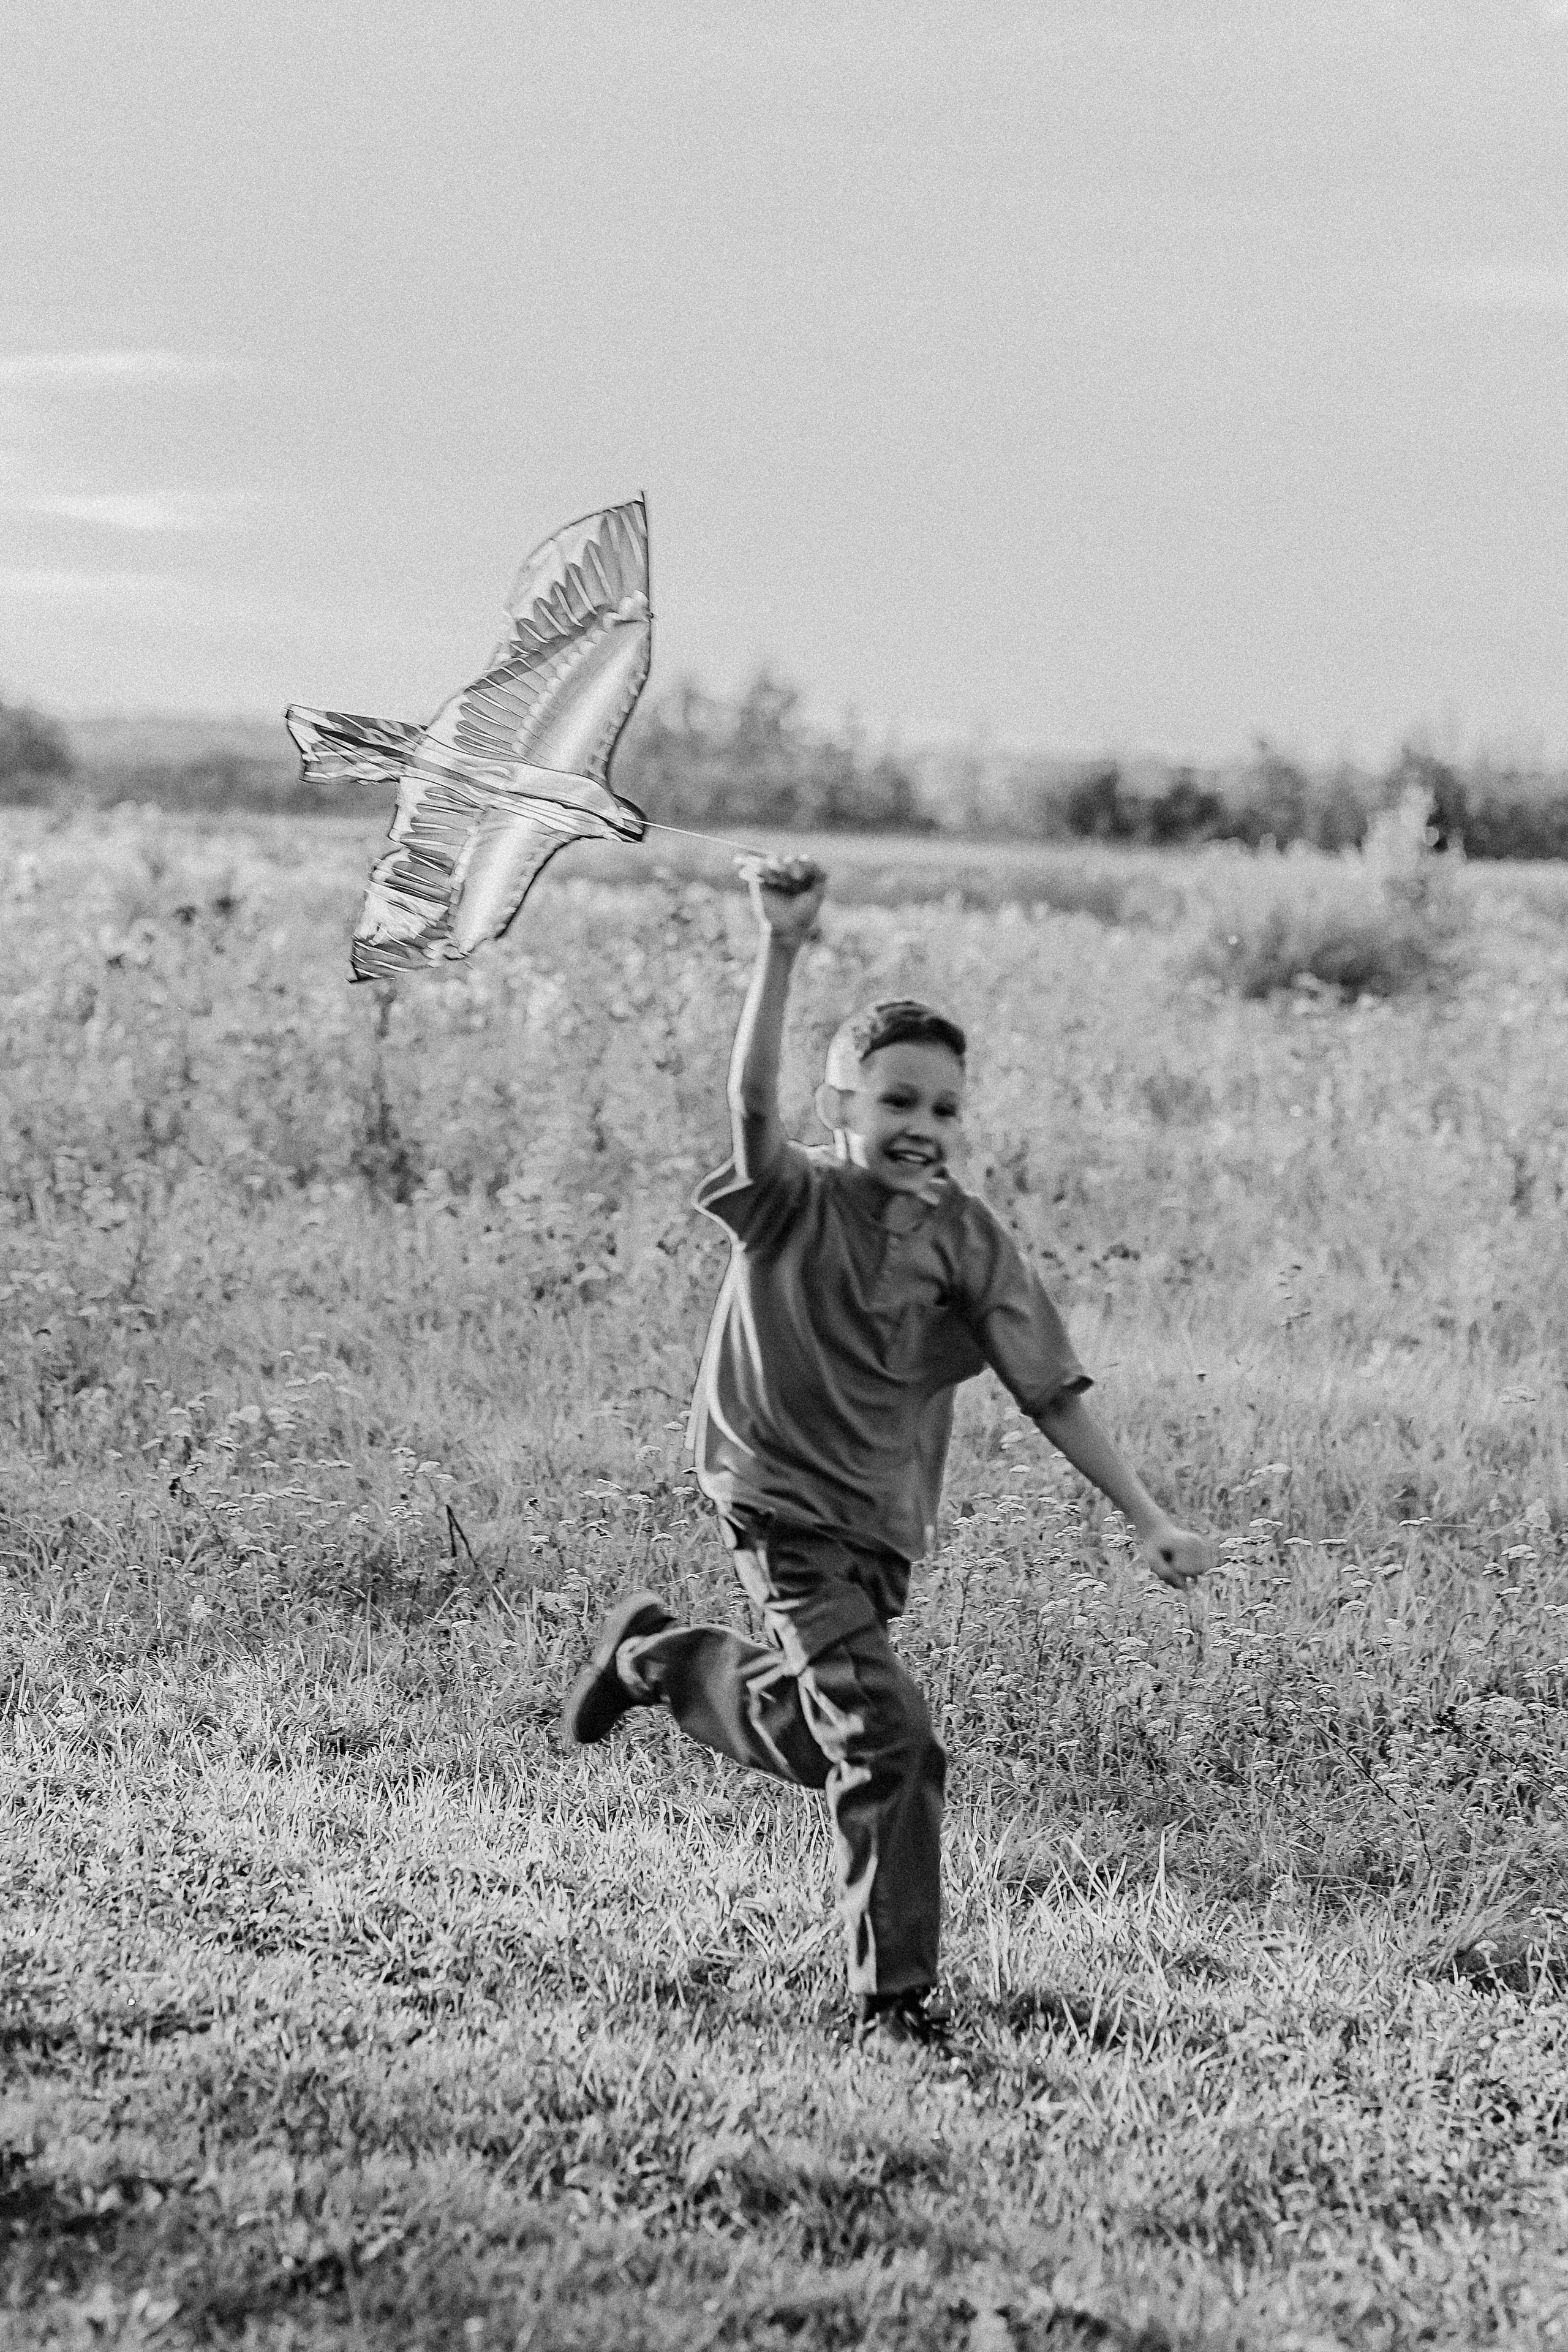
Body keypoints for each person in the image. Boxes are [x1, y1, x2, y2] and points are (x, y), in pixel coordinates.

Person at [563, 856, 1212, 2046]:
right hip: (774, 1501)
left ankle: (658, 1662)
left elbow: (1049, 1392)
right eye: (895, 1101)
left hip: (878, 1524)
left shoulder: (970, 1241)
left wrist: (1146, 1516)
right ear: (843, 1110)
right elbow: (750, 1104)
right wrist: (782, 948)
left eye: (942, 1107)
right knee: (893, 1743)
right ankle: (894, 1998)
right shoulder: (788, 1197)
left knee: (837, 1735)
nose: (920, 1125)